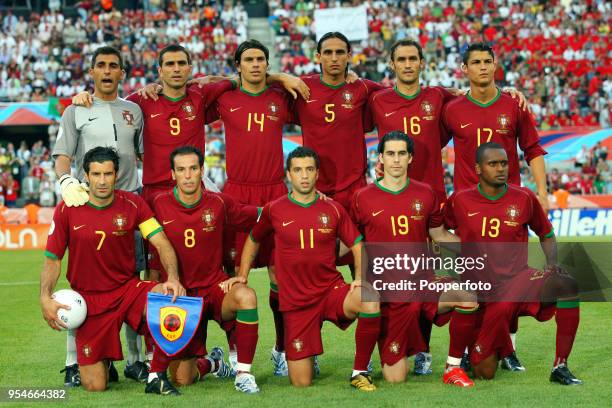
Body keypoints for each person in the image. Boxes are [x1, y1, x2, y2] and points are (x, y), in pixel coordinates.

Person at [40, 146, 185, 392]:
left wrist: (173, 277)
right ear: (86, 175)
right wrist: (44, 297)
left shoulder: (133, 203)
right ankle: (104, 361)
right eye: (96, 174)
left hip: (127, 290)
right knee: (94, 385)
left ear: (116, 175)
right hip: (90, 301)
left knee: (166, 297)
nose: (102, 181)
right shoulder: (67, 208)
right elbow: (53, 260)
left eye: (108, 174)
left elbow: (161, 241)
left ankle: (156, 375)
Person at [441, 42, 549, 368]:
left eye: (488, 61)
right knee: (471, 281)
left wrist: (542, 191)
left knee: (511, 279)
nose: (483, 67)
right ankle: (464, 349)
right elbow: (428, 146)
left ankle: (509, 350)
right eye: (476, 62)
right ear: (464, 69)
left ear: (495, 64)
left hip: (509, 208)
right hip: (467, 210)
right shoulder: (452, 109)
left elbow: (532, 149)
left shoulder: (514, 105)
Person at [237, 147, 381, 391]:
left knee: (369, 298)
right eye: (298, 170)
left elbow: (357, 243)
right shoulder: (275, 209)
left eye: (309, 170)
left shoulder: (333, 208)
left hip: (330, 291)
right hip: (297, 303)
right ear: (289, 175)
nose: (304, 175)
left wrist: (359, 278)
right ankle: (307, 353)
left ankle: (359, 372)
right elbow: (253, 238)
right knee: (301, 383)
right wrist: (242, 276)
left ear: (317, 174)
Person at [444, 142, 582, 385]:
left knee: (566, 284)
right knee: (484, 371)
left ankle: (560, 365)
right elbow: (438, 231)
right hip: (484, 294)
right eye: (493, 164)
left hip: (520, 280)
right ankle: (498, 348)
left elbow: (546, 233)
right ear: (478, 168)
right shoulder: (460, 200)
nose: (500, 168)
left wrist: (551, 264)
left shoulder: (524, 197)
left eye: (504, 163)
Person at [350, 131, 478, 386]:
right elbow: (352, 243)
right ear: (381, 158)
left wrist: (480, 248)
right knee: (395, 379)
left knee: (467, 296)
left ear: (410, 158)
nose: (396, 159)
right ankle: (385, 352)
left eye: (401, 154)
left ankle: (453, 367)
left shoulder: (426, 193)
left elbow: (439, 235)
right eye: (390, 154)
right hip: (388, 291)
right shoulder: (362, 197)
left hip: (422, 284)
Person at [53, 45, 148, 386]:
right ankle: (73, 363)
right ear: (91, 72)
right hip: (88, 207)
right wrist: (65, 179)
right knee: (82, 288)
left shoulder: (134, 111)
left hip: (129, 208)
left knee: (131, 282)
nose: (107, 71)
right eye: (101, 66)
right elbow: (62, 155)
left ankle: (136, 360)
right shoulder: (75, 110)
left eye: (114, 66)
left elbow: (143, 154)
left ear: (123, 73)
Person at [206, 39, 297, 376]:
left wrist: (280, 79)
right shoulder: (226, 98)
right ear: (238, 65)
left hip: (274, 193)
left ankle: (282, 350)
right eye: (249, 59)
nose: (256, 64)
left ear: (267, 63)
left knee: (280, 276)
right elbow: (194, 92)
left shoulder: (281, 99)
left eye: (261, 59)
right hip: (236, 196)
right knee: (232, 278)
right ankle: (233, 353)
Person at [146, 146, 262, 394]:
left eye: (193, 169)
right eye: (181, 170)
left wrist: (302, 200)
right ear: (172, 174)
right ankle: (213, 362)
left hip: (216, 288)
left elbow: (260, 216)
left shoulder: (219, 202)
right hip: (182, 297)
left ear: (202, 170)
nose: (187, 175)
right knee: (182, 379)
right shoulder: (158, 204)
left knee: (247, 295)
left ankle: (243, 373)